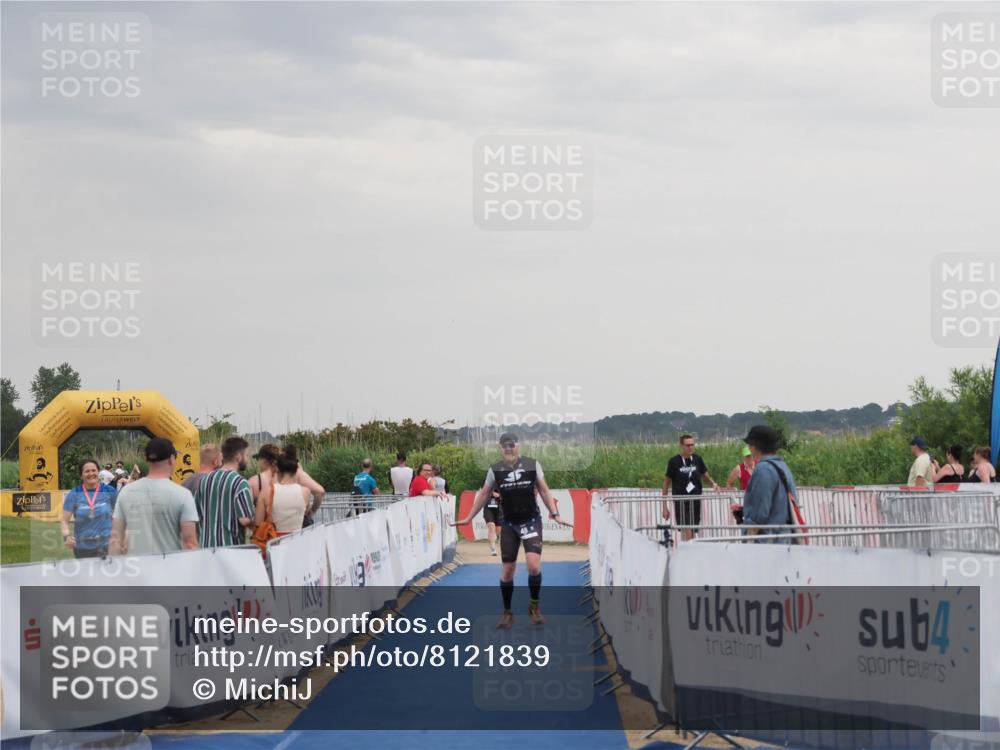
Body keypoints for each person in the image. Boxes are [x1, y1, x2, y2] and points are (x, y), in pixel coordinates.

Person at [453, 433, 571, 628]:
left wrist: (555, 513)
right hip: (508, 524)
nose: (508, 448)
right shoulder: (495, 469)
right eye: (504, 446)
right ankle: (507, 612)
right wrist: (468, 517)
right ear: (500, 449)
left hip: (531, 521)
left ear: (518, 446)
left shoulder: (532, 464)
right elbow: (484, 494)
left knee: (533, 567)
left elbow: (544, 490)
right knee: (508, 571)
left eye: (511, 445)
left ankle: (534, 606)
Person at [109, 438, 199, 555]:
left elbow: (116, 539)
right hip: (169, 565)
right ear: (171, 459)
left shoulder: (126, 492)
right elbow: (190, 543)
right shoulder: (183, 495)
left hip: (135, 565)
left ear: (147, 459)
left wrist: (114, 565)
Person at [741, 425, 799, 543]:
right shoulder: (782, 466)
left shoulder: (763, 470)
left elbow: (760, 512)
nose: (749, 448)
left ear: (755, 446)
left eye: (750, 445)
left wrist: (748, 538)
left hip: (768, 543)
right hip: (786, 539)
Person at [195, 436, 255, 548]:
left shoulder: (205, 480)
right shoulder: (240, 483)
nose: (247, 459)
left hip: (206, 548)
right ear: (238, 457)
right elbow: (245, 520)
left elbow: (197, 513)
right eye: (246, 455)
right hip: (230, 548)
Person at [661, 434, 720, 541]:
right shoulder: (674, 461)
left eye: (692, 445)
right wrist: (664, 507)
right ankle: (689, 548)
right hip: (681, 501)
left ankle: (690, 548)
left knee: (692, 530)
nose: (690, 447)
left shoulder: (697, 459)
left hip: (695, 499)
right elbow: (666, 483)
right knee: (686, 528)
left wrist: (713, 484)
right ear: (681, 446)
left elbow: (705, 476)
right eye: (687, 445)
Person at [249, 443, 325, 522]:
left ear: (264, 461)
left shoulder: (254, 481)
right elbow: (319, 491)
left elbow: (249, 514)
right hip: (298, 525)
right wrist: (312, 511)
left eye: (258, 459)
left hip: (270, 526)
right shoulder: (295, 473)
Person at [62, 459, 117, 558]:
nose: (91, 473)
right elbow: (64, 521)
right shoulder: (74, 494)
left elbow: (121, 516)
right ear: (81, 475)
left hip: (107, 546)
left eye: (93, 470)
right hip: (83, 548)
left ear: (98, 472)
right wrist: (66, 537)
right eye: (87, 471)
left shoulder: (109, 491)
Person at [255, 446, 311, 536]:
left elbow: (258, 523)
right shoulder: (306, 492)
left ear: (277, 469)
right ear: (296, 470)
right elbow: (306, 512)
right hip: (297, 539)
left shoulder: (266, 492)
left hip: (274, 540)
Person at [483, 489, 501, 556]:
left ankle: (495, 538)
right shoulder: (487, 483)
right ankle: (493, 549)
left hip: (499, 509)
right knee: (491, 526)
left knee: (498, 530)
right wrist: (491, 492)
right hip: (488, 508)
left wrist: (499, 495)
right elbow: (483, 491)